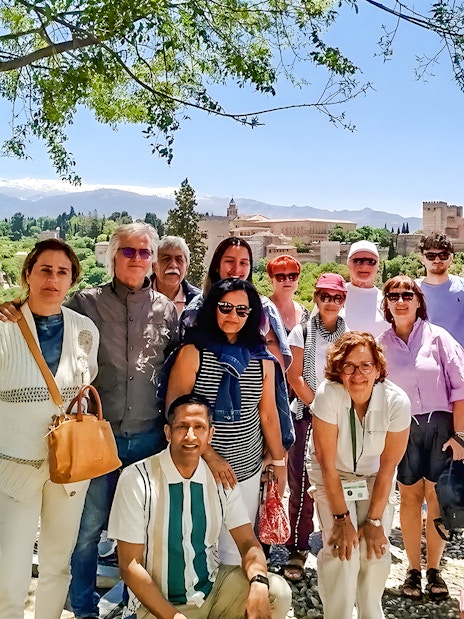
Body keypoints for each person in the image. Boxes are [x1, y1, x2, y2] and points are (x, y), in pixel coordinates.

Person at [107, 393, 292, 619]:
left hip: (211, 590)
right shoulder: (137, 479)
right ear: (168, 432)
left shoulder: (220, 480)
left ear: (210, 435)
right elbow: (129, 565)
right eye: (182, 426)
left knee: (277, 593)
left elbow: (247, 542)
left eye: (199, 427)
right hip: (157, 606)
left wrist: (259, 583)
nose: (190, 435)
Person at [0, 239, 100, 619]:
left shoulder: (85, 330)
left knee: (58, 565)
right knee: (9, 572)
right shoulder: (3, 327)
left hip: (72, 468)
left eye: (62, 272)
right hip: (14, 468)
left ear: (72, 280)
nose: (53, 279)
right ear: (28, 273)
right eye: (45, 269)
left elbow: (85, 388)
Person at [166, 278, 287, 565]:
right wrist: (210, 455)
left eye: (242, 311)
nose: (233, 316)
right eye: (226, 307)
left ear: (252, 315)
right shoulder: (193, 353)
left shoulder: (262, 359)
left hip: (245, 470)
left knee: (236, 552)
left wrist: (279, 462)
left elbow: (267, 412)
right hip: (196, 467)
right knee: (195, 547)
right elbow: (175, 412)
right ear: (213, 309)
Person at [308, 331, 410, 619]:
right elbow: (327, 464)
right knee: (343, 550)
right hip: (333, 473)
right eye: (349, 366)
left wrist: (375, 521)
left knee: (374, 549)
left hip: (373, 476)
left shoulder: (396, 401)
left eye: (365, 365)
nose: (357, 374)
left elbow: (389, 467)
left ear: (378, 369)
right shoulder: (328, 394)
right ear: (338, 369)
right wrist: (341, 520)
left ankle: (370, 613)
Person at [378, 275, 464, 601]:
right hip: (404, 429)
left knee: (435, 498)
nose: (401, 300)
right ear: (386, 303)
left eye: (407, 295)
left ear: (417, 301)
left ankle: (434, 568)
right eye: (394, 295)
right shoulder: (380, 344)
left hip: (441, 427)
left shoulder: (438, 338)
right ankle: (413, 569)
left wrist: (461, 436)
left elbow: (461, 388)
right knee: (410, 498)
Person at [284, 272, 348, 580]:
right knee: (303, 482)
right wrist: (318, 407)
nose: (331, 302)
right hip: (308, 413)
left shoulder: (349, 335)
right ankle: (297, 546)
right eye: (325, 296)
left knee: (341, 478)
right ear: (316, 298)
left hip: (341, 416)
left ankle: (336, 539)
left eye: (337, 297)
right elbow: (295, 375)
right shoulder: (301, 332)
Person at [181, 237, 291, 370]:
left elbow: (276, 360)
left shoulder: (264, 308)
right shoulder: (196, 310)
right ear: (217, 266)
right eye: (229, 261)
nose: (236, 269)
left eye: (243, 263)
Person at [416, 232, 464, 347]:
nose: (437, 260)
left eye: (443, 255)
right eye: (430, 256)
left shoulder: (462, 287)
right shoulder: (412, 291)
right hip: (427, 360)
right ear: (422, 259)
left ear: (451, 258)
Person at [343, 240, 389, 337]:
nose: (364, 266)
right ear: (348, 263)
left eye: (371, 261)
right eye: (357, 261)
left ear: (378, 265)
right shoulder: (333, 295)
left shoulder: (387, 301)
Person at [151, 235, 201, 316]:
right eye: (166, 259)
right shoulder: (136, 297)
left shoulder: (199, 301)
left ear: (187, 268)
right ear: (153, 266)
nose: (173, 265)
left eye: (179, 260)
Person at [266, 254, 309, 334]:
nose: (287, 280)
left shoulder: (305, 313)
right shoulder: (262, 310)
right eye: (280, 277)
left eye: (292, 276)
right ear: (271, 280)